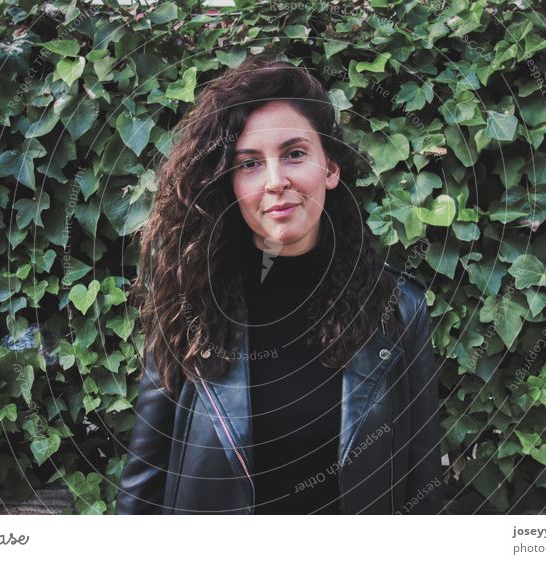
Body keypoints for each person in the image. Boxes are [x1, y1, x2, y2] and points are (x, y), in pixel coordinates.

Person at [115, 54, 443, 514]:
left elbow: (420, 480)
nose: (275, 181)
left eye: (294, 154)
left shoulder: (398, 308)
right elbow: (143, 484)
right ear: (229, 184)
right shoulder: (191, 308)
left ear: (330, 169)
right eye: (249, 164)